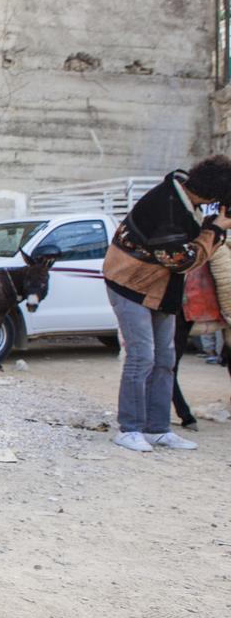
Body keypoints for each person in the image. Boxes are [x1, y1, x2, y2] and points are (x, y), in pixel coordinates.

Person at [103, 156, 231, 452]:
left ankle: (158, 428)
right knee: (142, 357)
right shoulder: (168, 211)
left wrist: (211, 225)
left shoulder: (183, 195)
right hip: (130, 286)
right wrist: (217, 229)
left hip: (161, 290)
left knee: (165, 360)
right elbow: (183, 260)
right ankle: (130, 428)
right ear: (215, 195)